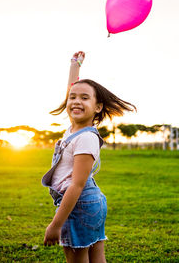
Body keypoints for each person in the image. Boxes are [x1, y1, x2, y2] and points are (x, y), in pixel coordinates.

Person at [42, 51, 136, 263]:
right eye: (73, 97)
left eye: (85, 98)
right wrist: (75, 65)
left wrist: (56, 225)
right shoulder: (75, 129)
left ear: (98, 107)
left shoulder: (85, 138)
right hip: (91, 203)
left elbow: (76, 185)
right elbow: (72, 90)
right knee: (96, 258)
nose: (76, 101)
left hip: (79, 205)